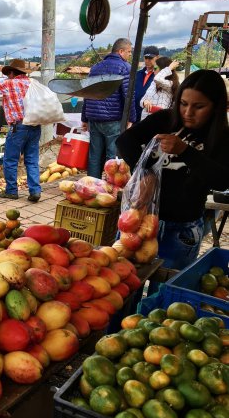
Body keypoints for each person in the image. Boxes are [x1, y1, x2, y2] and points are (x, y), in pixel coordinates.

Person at [117, 69, 229, 271]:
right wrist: (145, 172)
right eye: (183, 104)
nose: (188, 113)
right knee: (125, 283)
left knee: (165, 294)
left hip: (181, 230)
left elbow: (222, 180)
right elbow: (125, 140)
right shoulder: (164, 120)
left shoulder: (222, 138)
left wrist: (185, 151)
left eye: (199, 107)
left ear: (215, 107)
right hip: (138, 221)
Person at [0, 58, 41, 202]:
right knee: (32, 160)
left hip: (18, 127)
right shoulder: (33, 83)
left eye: (9, 73)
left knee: (10, 160)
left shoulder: (10, 84)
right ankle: (35, 191)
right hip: (35, 125)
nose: (8, 76)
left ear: (12, 73)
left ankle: (12, 191)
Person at [82, 38, 136, 178]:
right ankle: (109, 189)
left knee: (94, 155)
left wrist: (84, 118)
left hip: (94, 119)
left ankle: (92, 187)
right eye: (129, 52)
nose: (130, 55)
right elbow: (129, 95)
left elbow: (86, 93)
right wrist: (131, 118)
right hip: (113, 120)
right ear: (121, 51)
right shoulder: (125, 68)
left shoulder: (95, 68)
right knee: (112, 158)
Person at [134, 46, 160, 124]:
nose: (148, 61)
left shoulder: (159, 76)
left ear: (157, 58)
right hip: (134, 114)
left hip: (149, 115)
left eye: (150, 58)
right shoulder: (137, 74)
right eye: (146, 58)